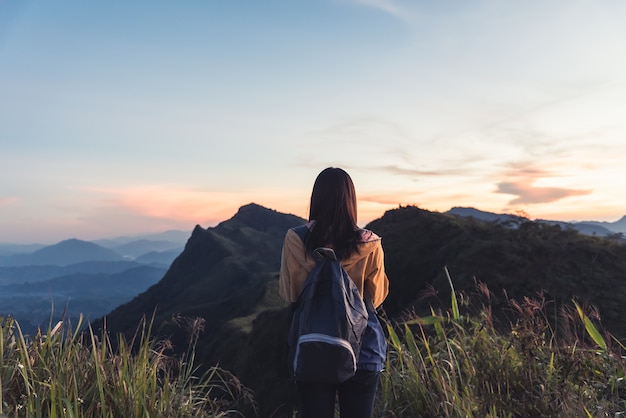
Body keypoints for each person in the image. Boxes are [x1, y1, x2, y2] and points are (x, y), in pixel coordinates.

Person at [279, 167, 389, 418]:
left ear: (316, 199)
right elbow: (378, 296)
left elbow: (290, 294)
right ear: (351, 201)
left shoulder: (296, 240)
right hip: (363, 350)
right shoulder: (371, 244)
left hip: (313, 344)